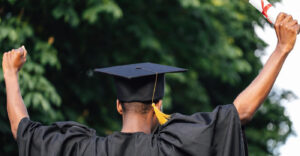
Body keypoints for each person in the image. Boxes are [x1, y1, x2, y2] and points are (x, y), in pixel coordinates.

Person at [2, 13, 298, 156]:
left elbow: (22, 130)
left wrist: (11, 74)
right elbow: (240, 112)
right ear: (158, 105)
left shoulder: (84, 150)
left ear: (118, 105)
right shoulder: (176, 147)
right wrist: (281, 49)